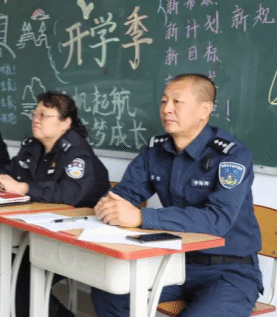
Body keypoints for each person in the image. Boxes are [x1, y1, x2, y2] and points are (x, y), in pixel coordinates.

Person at [91, 73, 263, 317]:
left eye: (177, 102)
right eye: (163, 101)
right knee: (109, 294)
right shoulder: (156, 150)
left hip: (229, 270)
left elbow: (218, 220)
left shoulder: (232, 155)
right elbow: (124, 194)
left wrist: (142, 217)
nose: (166, 109)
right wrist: (110, 206)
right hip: (174, 263)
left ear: (205, 110)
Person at [0, 91, 110, 317]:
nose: (36, 119)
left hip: (78, 237)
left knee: (18, 272)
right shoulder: (33, 146)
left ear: (65, 122)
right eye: (34, 114)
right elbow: (11, 170)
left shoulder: (77, 152)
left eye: (44, 115)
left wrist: (23, 188)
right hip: (41, 231)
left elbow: (68, 194)